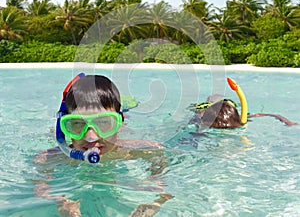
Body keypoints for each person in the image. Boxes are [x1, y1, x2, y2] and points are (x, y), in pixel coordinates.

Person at [34, 73, 173, 217]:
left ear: (119, 124)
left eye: (104, 123)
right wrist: (58, 201)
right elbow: (41, 189)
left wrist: (155, 199)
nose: (90, 137)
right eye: (77, 124)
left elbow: (158, 155)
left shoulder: (131, 151)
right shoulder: (51, 158)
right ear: (64, 128)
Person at [190, 77, 298, 131]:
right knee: (211, 100)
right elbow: (274, 114)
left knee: (212, 100)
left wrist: (288, 122)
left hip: (218, 107)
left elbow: (275, 115)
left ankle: (214, 97)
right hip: (209, 109)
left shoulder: (240, 118)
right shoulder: (201, 117)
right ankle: (214, 98)